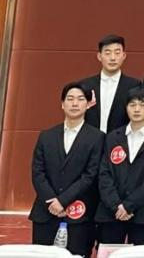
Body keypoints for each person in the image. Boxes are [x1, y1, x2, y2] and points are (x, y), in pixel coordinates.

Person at [29, 82, 104, 258]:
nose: (75, 103)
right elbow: (38, 172)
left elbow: (90, 175)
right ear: (62, 104)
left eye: (80, 99)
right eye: (70, 99)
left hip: (79, 214)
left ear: (88, 104)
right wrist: (51, 201)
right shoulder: (46, 136)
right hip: (45, 212)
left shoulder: (97, 137)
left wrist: (63, 201)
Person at [95, 86, 144, 245]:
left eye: (142, 105)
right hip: (111, 212)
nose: (137, 109)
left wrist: (129, 205)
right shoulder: (113, 137)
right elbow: (104, 174)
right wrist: (116, 206)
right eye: (132, 104)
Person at [81, 34, 140, 135]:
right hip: (90, 140)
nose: (113, 58)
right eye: (107, 53)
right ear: (99, 56)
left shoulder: (134, 85)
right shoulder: (85, 85)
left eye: (117, 53)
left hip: (121, 140)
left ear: (124, 56)